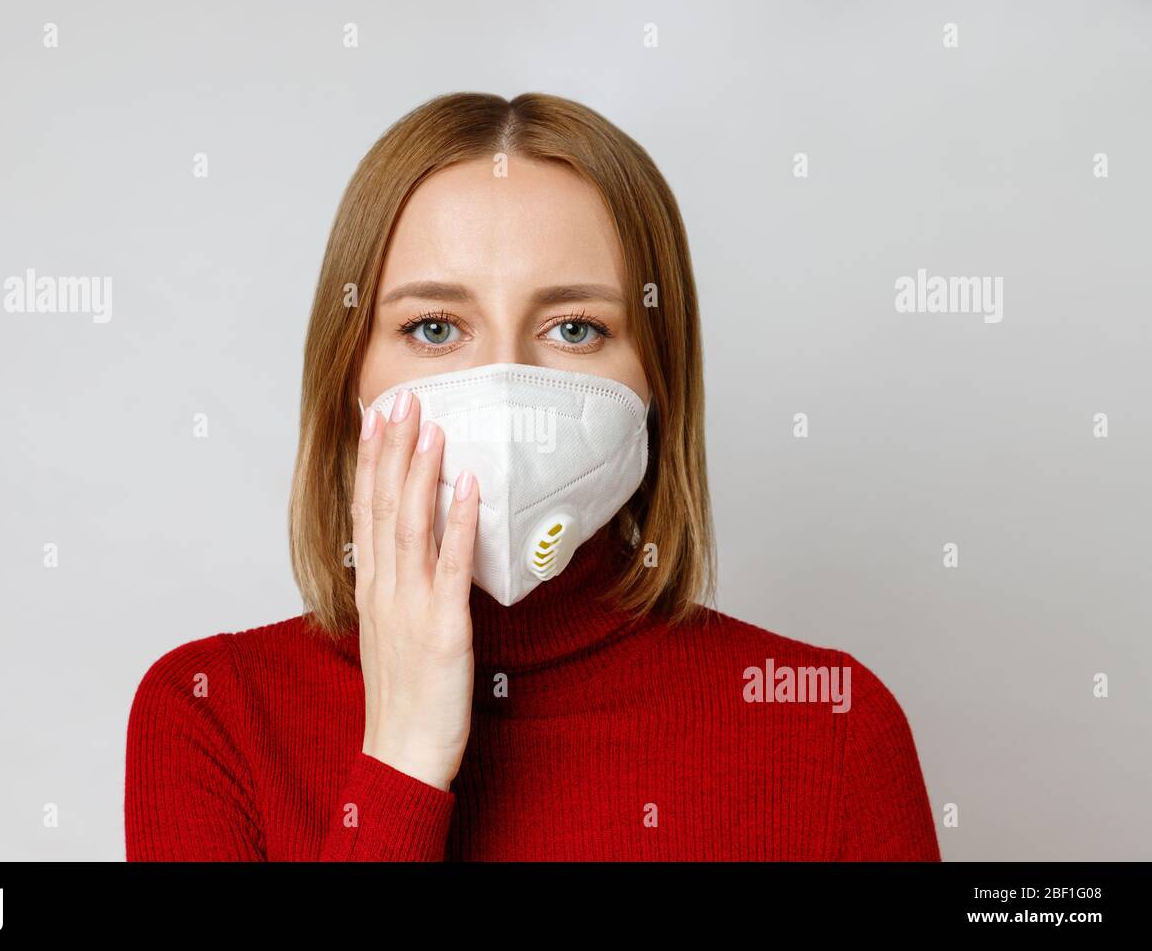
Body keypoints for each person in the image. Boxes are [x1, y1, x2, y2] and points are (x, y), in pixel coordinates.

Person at [125, 92, 941, 861]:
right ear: (352, 375)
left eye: (575, 327)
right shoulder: (212, 713)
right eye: (435, 327)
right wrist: (402, 758)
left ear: (658, 376)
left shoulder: (827, 725)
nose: (504, 383)